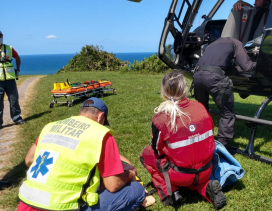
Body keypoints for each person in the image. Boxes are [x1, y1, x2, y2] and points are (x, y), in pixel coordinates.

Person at [17, 97, 145, 211]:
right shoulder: (101, 134)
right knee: (137, 190)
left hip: (27, 201)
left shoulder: (51, 126)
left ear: (81, 112)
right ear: (101, 116)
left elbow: (29, 160)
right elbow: (113, 185)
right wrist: (131, 173)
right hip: (63, 206)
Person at [140, 70, 227, 210]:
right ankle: (206, 188)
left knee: (147, 155)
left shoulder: (161, 118)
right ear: (185, 88)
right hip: (205, 169)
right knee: (194, 167)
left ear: (163, 91)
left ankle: (171, 192)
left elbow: (156, 148)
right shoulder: (200, 107)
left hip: (180, 174)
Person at [193, 37, 256, 146]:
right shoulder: (236, 42)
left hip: (197, 76)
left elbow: (223, 66)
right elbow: (248, 66)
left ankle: (199, 139)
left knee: (202, 110)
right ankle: (222, 146)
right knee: (227, 113)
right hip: (214, 77)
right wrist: (261, 62)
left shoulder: (212, 44)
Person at [0, 30, 25, 130]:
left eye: (0, 36)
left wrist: (18, 70)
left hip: (10, 79)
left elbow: (17, 58)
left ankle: (17, 118)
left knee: (14, 99)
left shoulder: (9, 48)